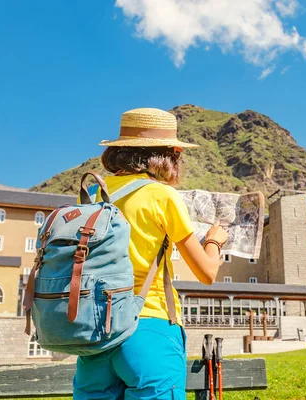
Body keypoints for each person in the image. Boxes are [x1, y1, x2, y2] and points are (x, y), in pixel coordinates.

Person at [73, 108, 228, 400]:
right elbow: (207, 272)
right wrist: (214, 242)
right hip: (148, 327)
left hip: (95, 334)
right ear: (165, 157)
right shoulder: (162, 195)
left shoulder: (92, 196)